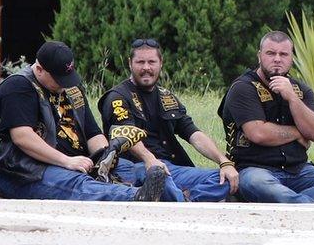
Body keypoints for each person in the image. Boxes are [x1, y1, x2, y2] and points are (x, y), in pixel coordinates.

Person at [0, 41, 173, 201]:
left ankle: (178, 198)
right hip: (22, 172)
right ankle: (135, 198)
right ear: (40, 69)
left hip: (75, 161)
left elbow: (92, 132)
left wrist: (104, 157)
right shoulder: (18, 87)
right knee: (77, 183)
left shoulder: (69, 87)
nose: (65, 84)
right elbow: (22, 137)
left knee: (130, 169)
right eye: (59, 79)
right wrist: (67, 161)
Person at [218, 30, 314, 204]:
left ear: (291, 58)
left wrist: (292, 98)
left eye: (283, 54)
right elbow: (258, 133)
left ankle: (292, 202)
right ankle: (311, 206)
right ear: (259, 56)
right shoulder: (243, 88)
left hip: (297, 171)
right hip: (254, 170)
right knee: (260, 184)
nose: (277, 59)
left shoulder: (300, 90)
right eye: (270, 53)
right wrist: (298, 133)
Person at [99, 38, 239, 202]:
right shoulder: (117, 97)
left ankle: (186, 201)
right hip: (137, 167)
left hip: (172, 168)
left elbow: (192, 132)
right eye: (140, 62)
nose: (146, 68)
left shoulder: (167, 97)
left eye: (151, 62)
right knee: (159, 179)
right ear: (130, 63)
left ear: (161, 63)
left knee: (226, 177)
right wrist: (150, 160)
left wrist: (224, 162)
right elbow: (127, 137)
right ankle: (182, 200)